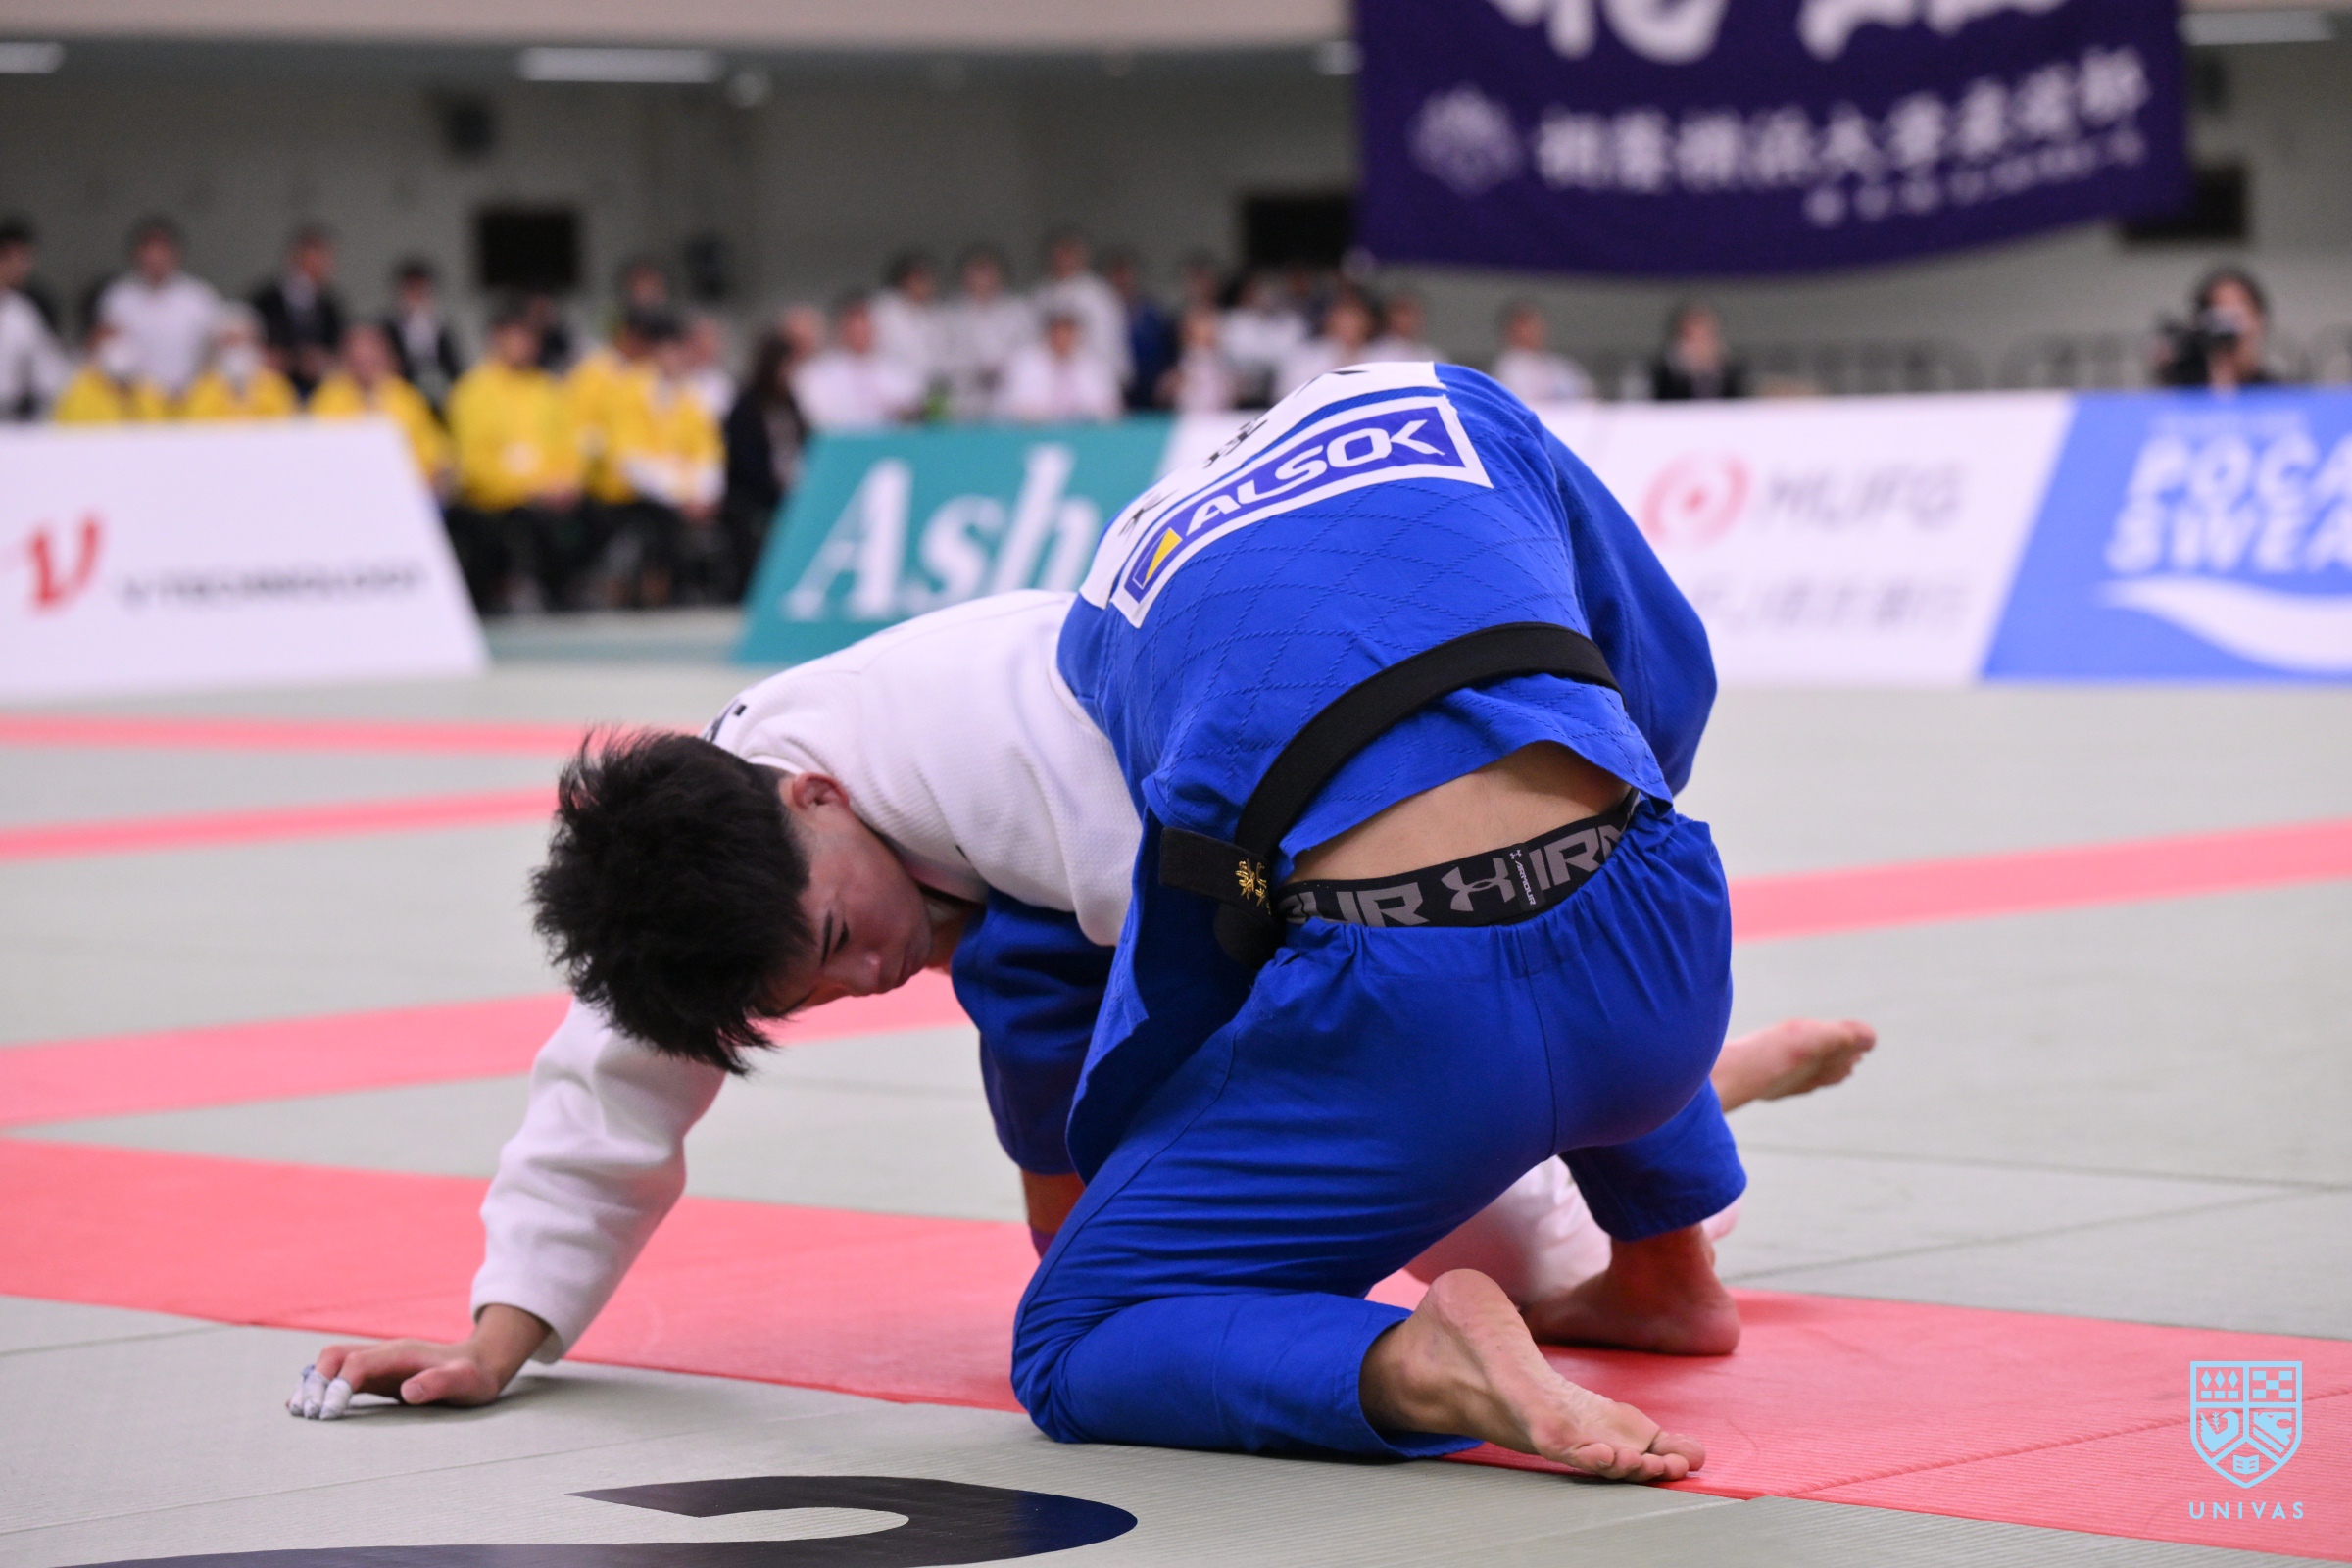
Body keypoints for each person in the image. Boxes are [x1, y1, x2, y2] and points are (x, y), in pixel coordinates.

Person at [283, 584, 1871, 1428]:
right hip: (1176, 925)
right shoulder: (716, 859)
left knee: (1484, 1232)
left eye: (837, 939)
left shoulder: (1018, 736)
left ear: (813, 792)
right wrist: (503, 1333)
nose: (860, 980)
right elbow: (611, 1084)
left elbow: (1351, 1020)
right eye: (811, 996)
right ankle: (1681, 1089)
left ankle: (1673, 1105)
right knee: (1087, 1140)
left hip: (1307, 888)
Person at [1025, 360, 1748, 1480]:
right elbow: (1663, 671)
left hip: (1415, 1034)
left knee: (1070, 1337)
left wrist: (1138, 1130)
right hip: (1665, 969)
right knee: (1603, 813)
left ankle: (1421, 1363)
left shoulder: (1112, 593)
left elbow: (1193, 906)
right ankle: (1670, 1273)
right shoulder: (1450, 400)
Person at [444, 302, 584, 614]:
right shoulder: (471, 392)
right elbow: (474, 464)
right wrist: (530, 487)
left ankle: (567, 595)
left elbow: (568, 447)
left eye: (528, 337)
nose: (524, 345)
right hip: (494, 501)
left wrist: (566, 481)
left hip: (549, 495)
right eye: (516, 336)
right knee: (525, 522)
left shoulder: (549, 390)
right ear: (496, 338)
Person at [599, 311, 727, 606]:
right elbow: (631, 460)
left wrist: (704, 493)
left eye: (679, 351)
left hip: (681, 492)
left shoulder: (691, 396)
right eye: (668, 350)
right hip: (632, 492)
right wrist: (680, 495)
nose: (674, 358)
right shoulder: (627, 392)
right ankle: (667, 588)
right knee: (662, 521)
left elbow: (708, 451)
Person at [309, 321, 453, 497]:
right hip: (346, 491)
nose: (366, 367)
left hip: (407, 491)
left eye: (372, 360)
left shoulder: (406, 397)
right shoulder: (327, 399)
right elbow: (321, 454)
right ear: (346, 361)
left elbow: (433, 451)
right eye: (359, 361)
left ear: (386, 358)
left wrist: (436, 478)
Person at [721, 324, 810, 599]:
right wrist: (776, 489)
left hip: (789, 489)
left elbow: (805, 445)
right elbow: (744, 462)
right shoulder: (746, 407)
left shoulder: (791, 404)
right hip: (755, 494)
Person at [97, 216, 220, 399]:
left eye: (162, 251)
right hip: (135, 399)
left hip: (190, 398)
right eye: (149, 251)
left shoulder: (198, 296)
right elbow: (104, 349)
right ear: (136, 254)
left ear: (176, 253)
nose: (155, 257)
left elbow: (217, 347)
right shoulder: (119, 298)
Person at [792, 293, 922, 432]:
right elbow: (818, 418)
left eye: (864, 324)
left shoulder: (899, 371)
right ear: (840, 328)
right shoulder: (816, 373)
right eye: (853, 325)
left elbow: (910, 409)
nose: (859, 331)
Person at [939, 245, 1036, 421]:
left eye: (987, 271)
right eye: (976, 271)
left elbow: (1029, 352)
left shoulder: (1018, 310)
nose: (982, 278)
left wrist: (1002, 370)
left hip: (1008, 397)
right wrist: (974, 371)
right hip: (963, 398)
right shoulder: (949, 313)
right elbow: (942, 357)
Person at [250, 224, 348, 398]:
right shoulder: (265, 301)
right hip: (270, 390)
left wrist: (322, 360)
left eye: (323, 260)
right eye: (311, 261)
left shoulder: (330, 306)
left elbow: (339, 349)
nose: (319, 266)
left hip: (317, 392)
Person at [1032, 229, 1129, 391]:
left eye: (1070, 253)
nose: (1065, 259)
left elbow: (1108, 343)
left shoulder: (1099, 294)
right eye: (1060, 253)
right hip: (1047, 379)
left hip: (1091, 377)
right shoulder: (1041, 294)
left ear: (1082, 256)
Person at [2157, 267, 2281, 392]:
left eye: (2237, 313)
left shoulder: (2277, 393)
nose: (2229, 326)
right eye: (2219, 314)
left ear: (2259, 320)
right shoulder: (2182, 389)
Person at [0, 218, 71, 419]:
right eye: (20, 259)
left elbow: (50, 373)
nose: (25, 267)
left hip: (8, 417)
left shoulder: (21, 313)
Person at [997, 311, 1122, 424]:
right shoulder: (1026, 362)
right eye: (1058, 334)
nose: (1063, 340)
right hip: (1034, 433)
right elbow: (1016, 406)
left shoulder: (1094, 364)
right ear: (1048, 335)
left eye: (1068, 335)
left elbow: (1108, 406)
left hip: (1083, 433)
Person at [179, 304, 300, 421]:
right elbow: (196, 423)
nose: (235, 348)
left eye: (241, 340)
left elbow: (287, 422)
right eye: (229, 341)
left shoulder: (275, 385)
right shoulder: (202, 387)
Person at [381, 258, 466, 411]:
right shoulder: (385, 330)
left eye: (421, 291)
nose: (417, 297)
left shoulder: (441, 330)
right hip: (398, 403)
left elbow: (455, 371)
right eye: (412, 290)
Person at [50, 320, 172, 424]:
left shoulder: (148, 390)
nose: (116, 349)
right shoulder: (77, 391)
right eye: (108, 342)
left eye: (118, 341)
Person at [1218, 271, 1307, 409]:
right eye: (1261, 293)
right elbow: (1229, 358)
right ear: (1249, 294)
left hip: (1282, 397)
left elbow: (1295, 361)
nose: (1266, 299)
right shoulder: (1234, 322)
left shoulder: (1293, 324)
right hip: (1238, 395)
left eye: (1272, 294)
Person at [1272, 288, 1377, 399]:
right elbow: (1285, 394)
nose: (1349, 324)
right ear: (1330, 320)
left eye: (1355, 317)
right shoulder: (1307, 355)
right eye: (1343, 318)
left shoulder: (1382, 355)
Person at [871, 251, 945, 405]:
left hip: (928, 395)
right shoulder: (884, 309)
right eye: (919, 278)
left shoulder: (935, 315)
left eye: (929, 279)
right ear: (904, 279)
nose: (925, 284)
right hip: (888, 394)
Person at [1102, 248, 1172, 411]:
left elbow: (1167, 349)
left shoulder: (1150, 312)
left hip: (1149, 387)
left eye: (1126, 273)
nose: (1122, 279)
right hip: (1113, 383)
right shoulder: (1099, 310)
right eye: (1117, 273)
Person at [1491, 300, 1593, 407]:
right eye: (1525, 324)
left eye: (1536, 323)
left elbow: (1589, 396)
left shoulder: (1560, 363)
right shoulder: (1508, 367)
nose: (1533, 329)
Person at [1650, 302, 1747, 402]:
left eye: (1705, 336)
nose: (1700, 344)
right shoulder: (1665, 375)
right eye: (1693, 337)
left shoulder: (1731, 371)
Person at [1158, 302, 1238, 414]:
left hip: (1220, 414)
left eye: (1211, 324)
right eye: (1203, 325)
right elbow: (1165, 390)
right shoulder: (1187, 359)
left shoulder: (1222, 359)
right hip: (1191, 414)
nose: (1209, 329)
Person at [679, 313, 737, 423]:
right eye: (700, 341)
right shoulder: (673, 374)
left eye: (711, 342)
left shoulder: (723, 384)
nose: (706, 347)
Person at [1366, 288, 1440, 364]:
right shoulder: (1374, 353)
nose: (1410, 320)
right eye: (1405, 314)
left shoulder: (1430, 355)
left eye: (1414, 313)